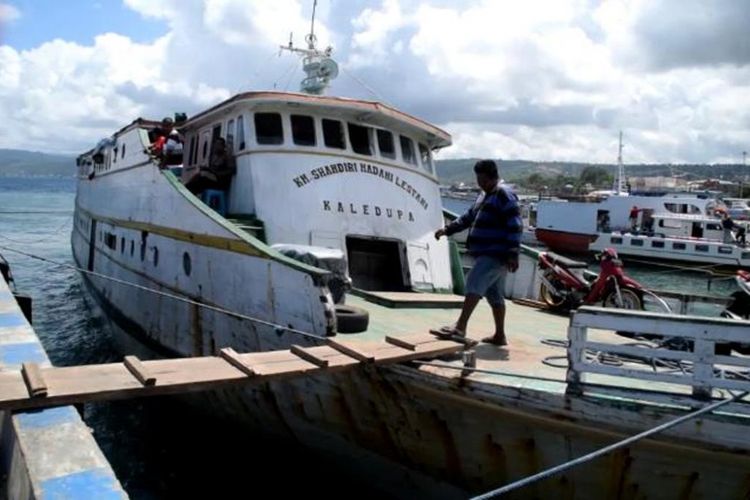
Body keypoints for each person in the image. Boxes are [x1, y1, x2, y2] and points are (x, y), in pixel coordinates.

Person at [434, 159, 523, 346]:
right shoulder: (485, 195)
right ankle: (500, 335)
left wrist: (513, 253)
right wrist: (448, 229)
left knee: (474, 283)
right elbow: (468, 217)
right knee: (495, 294)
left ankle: (460, 326)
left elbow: (515, 225)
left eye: (482, 180)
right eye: (478, 179)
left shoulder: (504, 194)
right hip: (487, 252)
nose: (479, 183)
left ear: (492, 177)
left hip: (495, 253)